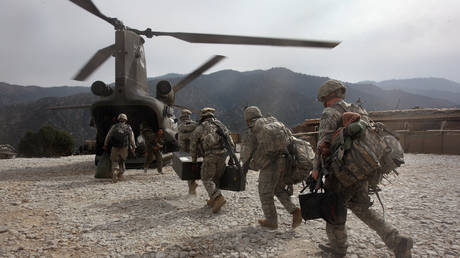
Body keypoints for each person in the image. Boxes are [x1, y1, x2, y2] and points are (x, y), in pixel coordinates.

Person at [312, 79, 413, 257]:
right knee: (361, 207)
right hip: (365, 167)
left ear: (325, 96)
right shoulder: (356, 109)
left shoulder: (329, 113)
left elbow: (323, 145)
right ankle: (397, 241)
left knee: (333, 206)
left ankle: (338, 249)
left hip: (343, 172)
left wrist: (316, 171)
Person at [241, 106, 302, 230]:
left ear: (247, 118)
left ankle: (271, 221)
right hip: (285, 160)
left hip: (270, 164)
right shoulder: (273, 121)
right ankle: (295, 211)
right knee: (278, 189)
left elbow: (246, 152)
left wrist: (246, 166)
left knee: (265, 193)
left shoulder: (253, 129)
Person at [190, 107, 233, 213]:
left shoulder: (200, 128)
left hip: (210, 156)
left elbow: (193, 145)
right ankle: (213, 199)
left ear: (202, 115)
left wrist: (194, 161)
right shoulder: (220, 125)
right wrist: (231, 157)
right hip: (222, 156)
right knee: (215, 178)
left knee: (206, 178)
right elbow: (230, 141)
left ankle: (218, 198)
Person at [104, 113, 136, 183]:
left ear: (118, 119)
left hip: (115, 147)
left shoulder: (114, 126)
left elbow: (108, 136)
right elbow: (131, 138)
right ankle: (120, 174)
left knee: (114, 161)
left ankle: (115, 171)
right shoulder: (128, 127)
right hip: (124, 147)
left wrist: (105, 144)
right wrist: (134, 146)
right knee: (122, 161)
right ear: (125, 120)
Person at [178, 109, 199, 195]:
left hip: (185, 153)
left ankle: (192, 188)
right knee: (194, 169)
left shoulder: (180, 127)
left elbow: (179, 141)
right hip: (195, 152)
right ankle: (192, 187)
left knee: (187, 171)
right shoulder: (195, 125)